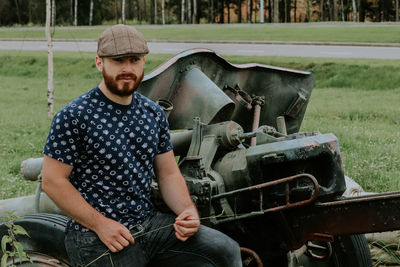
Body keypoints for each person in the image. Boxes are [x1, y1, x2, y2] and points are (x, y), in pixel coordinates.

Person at [41, 24, 242, 267]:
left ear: (143, 62)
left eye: (134, 60)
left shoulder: (153, 113)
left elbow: (168, 173)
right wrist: (101, 225)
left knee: (226, 251)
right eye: (118, 60)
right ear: (99, 62)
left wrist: (186, 210)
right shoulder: (74, 116)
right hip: (95, 236)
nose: (127, 68)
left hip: (148, 224)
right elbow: (52, 181)